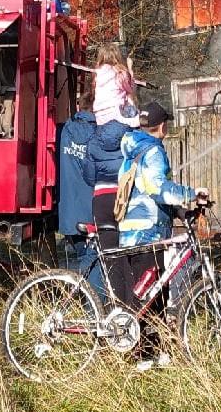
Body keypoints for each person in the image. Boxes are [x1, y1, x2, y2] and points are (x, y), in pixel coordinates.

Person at [117, 100, 207, 370]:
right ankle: (143, 356)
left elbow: (146, 188)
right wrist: (192, 194)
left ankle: (149, 352)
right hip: (147, 233)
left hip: (133, 231)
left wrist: (180, 213)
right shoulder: (154, 150)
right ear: (163, 125)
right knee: (150, 296)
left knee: (149, 293)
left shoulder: (134, 146)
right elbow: (158, 188)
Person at [83, 101, 141, 305]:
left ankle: (116, 311)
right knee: (130, 256)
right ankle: (131, 310)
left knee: (111, 260)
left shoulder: (93, 139)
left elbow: (89, 176)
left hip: (100, 200)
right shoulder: (131, 137)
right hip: (124, 199)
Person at [57, 89, 99, 292]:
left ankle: (86, 300)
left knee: (83, 257)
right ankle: (92, 306)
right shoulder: (99, 136)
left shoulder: (65, 131)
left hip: (68, 212)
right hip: (92, 212)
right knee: (93, 263)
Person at [92, 44, 137, 126]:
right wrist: (130, 69)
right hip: (116, 112)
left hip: (99, 114)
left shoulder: (97, 73)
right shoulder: (119, 72)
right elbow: (130, 89)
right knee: (140, 120)